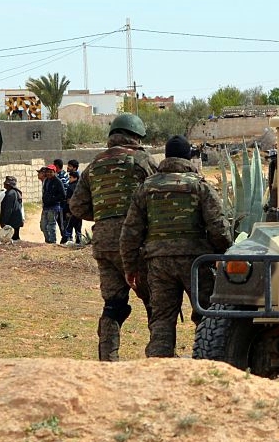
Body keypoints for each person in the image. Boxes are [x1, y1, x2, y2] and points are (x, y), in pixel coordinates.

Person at [120, 135, 233, 358]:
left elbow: (130, 232)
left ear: (167, 157)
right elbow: (218, 227)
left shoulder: (146, 188)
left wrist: (130, 267)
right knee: (207, 315)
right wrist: (225, 253)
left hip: (158, 264)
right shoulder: (199, 186)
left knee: (162, 318)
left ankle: (159, 366)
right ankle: (209, 362)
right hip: (197, 264)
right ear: (188, 156)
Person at [68, 113, 159, 361]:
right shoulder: (142, 160)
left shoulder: (94, 165)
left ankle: (108, 361)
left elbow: (76, 206)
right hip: (136, 244)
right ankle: (160, 359)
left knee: (113, 305)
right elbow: (159, 194)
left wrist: (103, 215)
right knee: (156, 303)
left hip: (104, 244)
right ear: (136, 136)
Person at [0, 176, 25, 241]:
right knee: (15, 238)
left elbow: (8, 209)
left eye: (6, 183)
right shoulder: (16, 192)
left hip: (11, 221)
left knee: (10, 239)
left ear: (9, 185)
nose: (4, 184)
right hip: (16, 220)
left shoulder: (10, 194)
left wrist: (4, 221)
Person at [40, 164, 65, 244]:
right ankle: (47, 241)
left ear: (54, 172)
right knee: (43, 226)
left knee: (51, 225)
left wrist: (53, 199)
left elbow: (62, 195)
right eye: (47, 172)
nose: (49, 174)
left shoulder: (58, 182)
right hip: (46, 207)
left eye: (51, 172)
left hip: (54, 207)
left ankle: (52, 241)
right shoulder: (46, 181)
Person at [62, 170, 84, 246]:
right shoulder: (81, 187)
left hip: (72, 210)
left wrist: (67, 211)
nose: (69, 179)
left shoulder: (70, 187)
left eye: (70, 177)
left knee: (69, 226)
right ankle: (79, 241)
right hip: (79, 211)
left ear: (75, 178)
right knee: (78, 227)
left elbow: (68, 200)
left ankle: (68, 240)